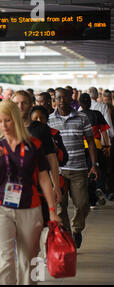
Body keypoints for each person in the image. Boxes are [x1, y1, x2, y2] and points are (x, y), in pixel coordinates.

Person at [0, 100, 62, 285]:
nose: (3, 126)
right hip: (1, 208)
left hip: (30, 208)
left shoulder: (34, 144)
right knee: (6, 258)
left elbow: (44, 179)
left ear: (15, 119)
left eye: (7, 120)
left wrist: (53, 210)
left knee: (30, 259)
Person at [48, 88, 98, 249]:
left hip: (79, 169)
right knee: (61, 206)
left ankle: (77, 229)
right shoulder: (49, 120)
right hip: (58, 171)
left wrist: (94, 165)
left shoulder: (82, 118)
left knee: (82, 203)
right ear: (54, 100)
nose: (61, 101)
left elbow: (90, 142)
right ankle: (68, 235)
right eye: (58, 98)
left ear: (71, 99)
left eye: (64, 97)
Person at [12, 90, 62, 224]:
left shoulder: (41, 129)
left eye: (24, 103)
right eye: (16, 103)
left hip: (39, 186)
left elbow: (51, 158)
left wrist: (55, 185)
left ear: (31, 104)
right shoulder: (7, 128)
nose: (20, 106)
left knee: (39, 227)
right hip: (13, 187)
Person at [79, 93, 110, 207]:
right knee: (99, 168)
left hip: (82, 148)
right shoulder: (97, 114)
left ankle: (92, 200)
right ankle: (99, 188)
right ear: (90, 103)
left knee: (87, 172)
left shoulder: (78, 115)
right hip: (96, 146)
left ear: (80, 104)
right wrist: (107, 146)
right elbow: (104, 132)